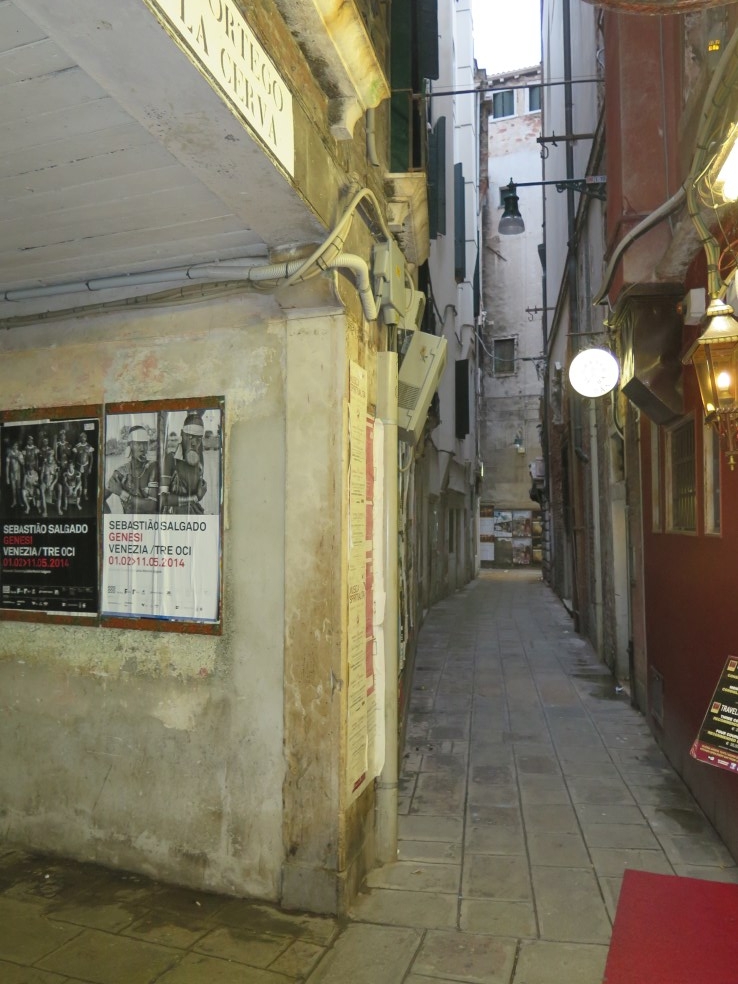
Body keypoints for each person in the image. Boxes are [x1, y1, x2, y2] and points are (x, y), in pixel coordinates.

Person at [159, 413, 207, 514]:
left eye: (198, 439)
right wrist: (195, 498)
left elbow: (199, 491)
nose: (194, 443)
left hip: (194, 514)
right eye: (190, 437)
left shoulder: (200, 460)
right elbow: (162, 499)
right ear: (182, 433)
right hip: (174, 517)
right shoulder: (171, 459)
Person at [104, 424, 158, 514]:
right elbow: (99, 500)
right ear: (130, 446)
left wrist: (121, 493)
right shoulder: (120, 473)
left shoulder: (153, 467)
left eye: (145, 443)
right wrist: (109, 519)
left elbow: (152, 505)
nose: (142, 448)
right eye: (138, 443)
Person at [73, 431, 94, 502]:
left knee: (85, 480)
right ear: (80, 438)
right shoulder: (77, 446)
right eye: (82, 437)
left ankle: (85, 494)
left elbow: (91, 458)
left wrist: (90, 467)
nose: (83, 438)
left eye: (84, 437)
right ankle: (79, 494)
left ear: (86, 438)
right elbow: (74, 458)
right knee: (78, 480)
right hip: (78, 466)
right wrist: (74, 466)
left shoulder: (89, 446)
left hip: (86, 466)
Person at [40, 448, 59, 517]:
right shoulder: (44, 464)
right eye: (49, 456)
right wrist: (43, 482)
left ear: (53, 457)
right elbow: (41, 476)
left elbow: (56, 477)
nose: (50, 458)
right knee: (41, 489)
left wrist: (52, 485)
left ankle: (58, 508)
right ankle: (45, 510)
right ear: (47, 457)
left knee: (59, 488)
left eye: (51, 456)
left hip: (52, 482)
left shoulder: (55, 465)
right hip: (45, 482)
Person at [5, 438, 23, 508]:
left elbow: (22, 463)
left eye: (16, 445)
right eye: (14, 445)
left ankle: (20, 501)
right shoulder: (9, 454)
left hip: (18, 473)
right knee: (13, 488)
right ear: (12, 446)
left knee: (18, 488)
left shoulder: (20, 453)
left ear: (17, 446)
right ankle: (14, 501)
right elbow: (7, 466)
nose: (15, 447)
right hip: (12, 473)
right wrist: (7, 477)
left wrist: (18, 458)